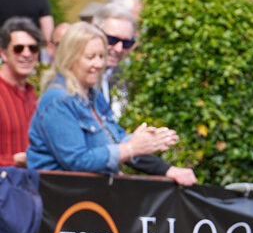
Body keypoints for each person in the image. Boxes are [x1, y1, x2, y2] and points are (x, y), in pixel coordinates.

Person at [26, 23, 196, 186]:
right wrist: (131, 148)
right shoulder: (58, 100)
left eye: (101, 56)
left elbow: (115, 139)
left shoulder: (93, 95)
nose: (99, 64)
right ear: (70, 58)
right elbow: (77, 161)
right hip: (59, 202)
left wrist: (147, 143)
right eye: (90, 57)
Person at [0, 17, 42, 166]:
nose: (26, 54)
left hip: (32, 185)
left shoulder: (33, 96)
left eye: (33, 48)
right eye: (19, 48)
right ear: (3, 54)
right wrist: (13, 161)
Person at [94, 3, 137, 119]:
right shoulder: (78, 79)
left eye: (126, 43)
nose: (119, 49)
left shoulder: (122, 76)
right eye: (112, 40)